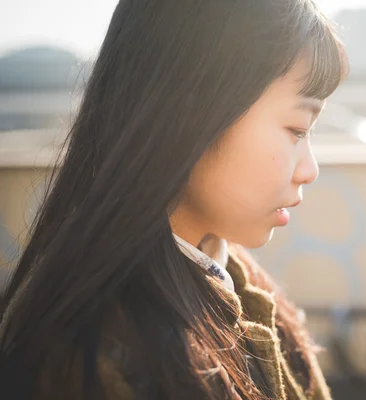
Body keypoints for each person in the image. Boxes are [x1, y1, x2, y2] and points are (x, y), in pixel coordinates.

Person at [0, 0, 348, 398]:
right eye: (297, 129)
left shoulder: (237, 280)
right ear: (194, 112)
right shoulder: (100, 358)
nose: (310, 169)